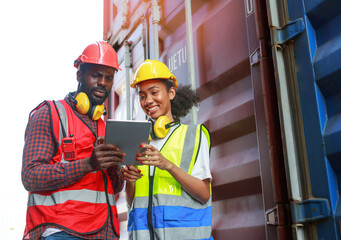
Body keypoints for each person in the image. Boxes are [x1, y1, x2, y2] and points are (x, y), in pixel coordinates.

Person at [22, 41, 125, 240]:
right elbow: (30, 176)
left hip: (105, 233)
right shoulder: (49, 113)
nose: (103, 82)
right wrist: (88, 164)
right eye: (96, 75)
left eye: (109, 78)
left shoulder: (105, 126)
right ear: (79, 75)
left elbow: (113, 187)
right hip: (60, 231)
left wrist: (117, 168)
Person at [123, 59, 213, 240]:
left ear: (171, 93)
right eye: (142, 96)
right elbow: (131, 202)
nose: (148, 101)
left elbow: (204, 194)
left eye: (154, 92)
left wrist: (168, 165)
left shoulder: (194, 136)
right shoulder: (137, 139)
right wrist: (130, 180)